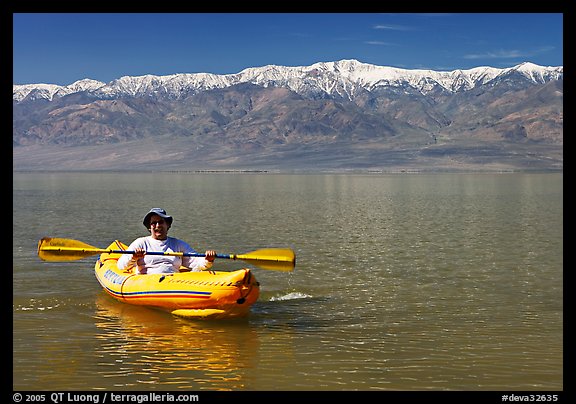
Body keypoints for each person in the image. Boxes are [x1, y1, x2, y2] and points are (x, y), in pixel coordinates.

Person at [117, 208, 216, 274]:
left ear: (167, 225)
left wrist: (208, 259)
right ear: (149, 227)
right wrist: (134, 257)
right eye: (153, 223)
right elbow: (121, 266)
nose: (157, 226)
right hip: (146, 282)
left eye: (161, 222)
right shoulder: (141, 243)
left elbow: (196, 262)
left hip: (173, 281)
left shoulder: (178, 244)